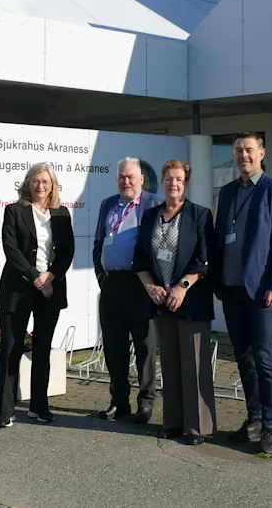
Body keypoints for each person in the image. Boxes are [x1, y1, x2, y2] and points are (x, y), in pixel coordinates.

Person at [211, 132, 272, 453]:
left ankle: (271, 424)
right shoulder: (228, 192)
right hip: (231, 289)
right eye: (238, 150)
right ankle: (254, 418)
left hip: (261, 291)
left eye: (249, 150)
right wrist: (217, 281)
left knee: (264, 358)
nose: (243, 155)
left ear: (261, 153)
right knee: (243, 357)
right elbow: (220, 237)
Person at [133, 160, 216, 446]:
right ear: (162, 182)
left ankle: (196, 427)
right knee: (169, 363)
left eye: (179, 179)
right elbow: (140, 258)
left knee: (194, 365)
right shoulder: (150, 216)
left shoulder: (200, 215)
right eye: (169, 178)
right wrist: (151, 287)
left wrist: (182, 287)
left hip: (191, 301)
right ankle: (172, 422)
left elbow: (204, 258)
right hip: (161, 301)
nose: (173, 184)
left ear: (186, 183)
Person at [0, 162, 75, 428]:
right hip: (17, 288)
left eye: (45, 182)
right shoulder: (14, 211)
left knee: (42, 349)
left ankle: (39, 406)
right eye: (36, 181)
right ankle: (5, 409)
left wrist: (50, 277)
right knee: (11, 348)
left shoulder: (62, 213)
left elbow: (67, 251)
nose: (40, 186)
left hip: (50, 289)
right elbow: (11, 249)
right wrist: (35, 276)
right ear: (28, 184)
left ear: (53, 186)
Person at [92, 157, 164, 423]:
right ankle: (119, 401)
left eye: (131, 176)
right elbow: (99, 241)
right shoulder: (108, 204)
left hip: (140, 285)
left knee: (145, 346)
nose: (126, 181)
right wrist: (101, 274)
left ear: (141, 179)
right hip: (111, 284)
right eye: (122, 177)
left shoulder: (153, 204)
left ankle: (146, 403)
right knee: (114, 346)